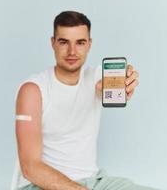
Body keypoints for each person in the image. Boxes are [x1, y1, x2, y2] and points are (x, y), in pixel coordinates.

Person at [13, 11, 156, 190]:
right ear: (53, 43)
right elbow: (30, 167)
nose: (72, 51)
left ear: (89, 44)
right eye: (64, 42)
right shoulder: (33, 90)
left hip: (94, 182)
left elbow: (104, 84)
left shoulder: (95, 77)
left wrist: (126, 81)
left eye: (80, 43)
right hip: (41, 185)